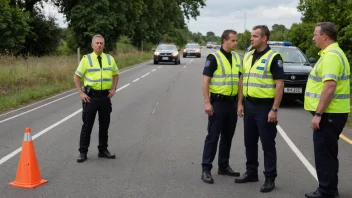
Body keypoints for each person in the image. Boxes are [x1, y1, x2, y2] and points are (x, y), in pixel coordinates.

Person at [234, 25, 284, 193]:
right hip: (249, 105)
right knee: (249, 142)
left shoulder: (274, 57)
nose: (251, 39)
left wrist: (274, 109)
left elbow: (279, 85)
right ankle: (251, 172)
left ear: (264, 38)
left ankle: (270, 177)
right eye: (251, 36)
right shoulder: (247, 56)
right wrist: (240, 103)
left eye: (255, 36)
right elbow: (242, 80)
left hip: (265, 107)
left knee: (267, 143)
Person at [304, 22, 350, 198]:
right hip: (334, 113)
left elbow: (329, 86)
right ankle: (328, 188)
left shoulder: (331, 56)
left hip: (329, 115)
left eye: (316, 34)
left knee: (324, 155)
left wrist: (318, 114)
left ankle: (326, 191)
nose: (313, 37)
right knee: (328, 154)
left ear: (324, 36)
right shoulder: (334, 54)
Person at [201, 30, 242, 184]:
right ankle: (206, 169)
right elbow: (205, 81)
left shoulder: (237, 58)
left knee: (227, 136)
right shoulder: (214, 57)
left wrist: (239, 103)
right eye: (233, 40)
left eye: (236, 40)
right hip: (217, 102)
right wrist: (207, 102)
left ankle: (223, 166)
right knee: (213, 136)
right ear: (225, 41)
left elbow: (239, 81)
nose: (236, 43)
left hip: (231, 103)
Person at [73, 34, 119, 163]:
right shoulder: (86, 59)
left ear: (103, 45)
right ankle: (83, 152)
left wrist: (114, 88)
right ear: (92, 45)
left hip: (105, 97)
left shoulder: (109, 59)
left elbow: (116, 74)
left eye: (101, 43)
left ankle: (102, 150)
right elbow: (76, 77)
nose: (99, 45)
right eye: (97, 43)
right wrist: (81, 93)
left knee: (104, 126)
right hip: (91, 98)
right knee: (87, 126)